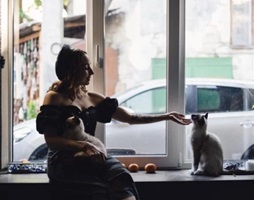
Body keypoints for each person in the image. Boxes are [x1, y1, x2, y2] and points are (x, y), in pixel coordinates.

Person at [36, 44, 192, 200]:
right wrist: (83, 145)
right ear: (72, 70)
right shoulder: (54, 97)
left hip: (92, 157)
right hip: (64, 162)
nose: (91, 71)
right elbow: (51, 140)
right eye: (85, 67)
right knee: (100, 190)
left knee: (121, 176)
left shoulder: (93, 98)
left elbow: (131, 118)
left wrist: (166, 116)